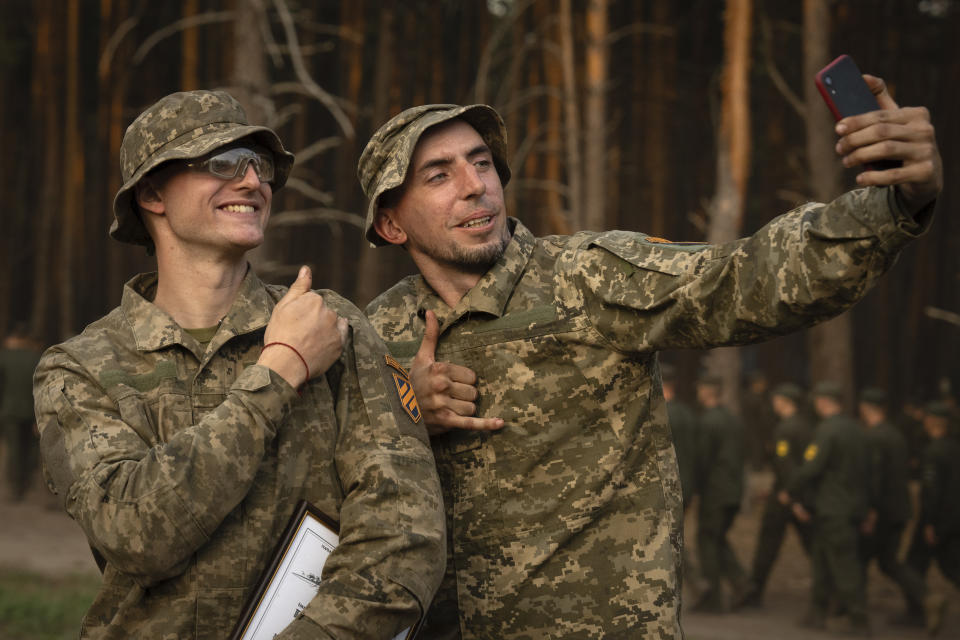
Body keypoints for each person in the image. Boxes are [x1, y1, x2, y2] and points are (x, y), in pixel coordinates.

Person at [358, 72, 941, 638]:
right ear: (390, 223)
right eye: (438, 175)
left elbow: (745, 279)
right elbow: (327, 480)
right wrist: (406, 413)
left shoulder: (586, 277)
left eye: (481, 162)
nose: (474, 184)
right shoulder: (377, 330)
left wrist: (891, 205)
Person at [32, 90, 445, 639]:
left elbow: (404, 534)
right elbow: (135, 533)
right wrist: (280, 371)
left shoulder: (333, 325)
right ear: (152, 192)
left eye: (260, 165)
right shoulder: (79, 370)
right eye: (221, 163)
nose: (253, 182)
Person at [785, 382, 871, 634]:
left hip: (834, 508)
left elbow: (812, 468)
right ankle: (817, 611)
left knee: (844, 566)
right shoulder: (856, 429)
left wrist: (790, 489)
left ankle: (859, 619)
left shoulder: (827, 430)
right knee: (821, 561)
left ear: (823, 402)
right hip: (846, 506)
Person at [858, 388, 943, 631]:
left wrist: (870, 510)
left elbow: (875, 478)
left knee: (862, 558)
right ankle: (926, 599)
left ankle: (855, 611)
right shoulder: (896, 434)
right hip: (899, 509)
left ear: (865, 408)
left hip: (882, 511)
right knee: (888, 561)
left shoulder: (874, 437)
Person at [738, 382, 813, 608]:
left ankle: (754, 592)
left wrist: (789, 495)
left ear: (785, 402)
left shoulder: (785, 430)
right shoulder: (806, 427)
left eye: (777, 400)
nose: (774, 404)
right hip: (799, 494)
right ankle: (831, 594)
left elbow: (786, 466)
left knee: (767, 546)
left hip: (785, 497)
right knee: (813, 545)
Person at [692, 375, 746, 612]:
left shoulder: (709, 421)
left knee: (707, 540)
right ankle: (742, 583)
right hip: (734, 488)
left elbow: (702, 459)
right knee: (718, 537)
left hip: (715, 490)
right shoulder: (733, 419)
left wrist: (693, 488)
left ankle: (713, 598)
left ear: (706, 391)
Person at [909, 402, 960, 592]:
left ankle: (919, 608)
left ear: (931, 421)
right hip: (953, 517)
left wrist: (930, 523)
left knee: (915, 564)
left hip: (938, 519)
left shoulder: (933, 451)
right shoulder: (955, 447)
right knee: (950, 565)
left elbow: (933, 490)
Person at [0, 325, 43, 500]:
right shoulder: (36, 358)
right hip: (32, 411)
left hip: (10, 410)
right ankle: (27, 482)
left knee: (14, 448)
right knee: (30, 448)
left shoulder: (5, 357)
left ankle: (15, 487)